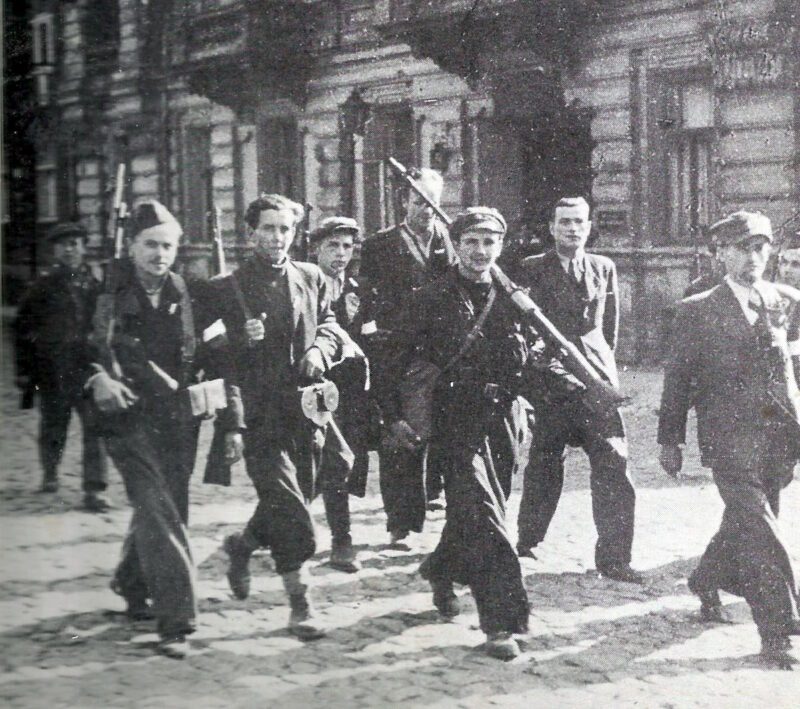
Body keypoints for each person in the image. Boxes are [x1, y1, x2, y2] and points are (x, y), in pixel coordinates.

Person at [658, 211, 800, 669]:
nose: (752, 257)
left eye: (760, 247)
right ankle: (779, 631)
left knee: (749, 521)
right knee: (762, 532)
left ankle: (705, 578)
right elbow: (678, 380)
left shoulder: (788, 302)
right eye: (740, 247)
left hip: (778, 437)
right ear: (719, 253)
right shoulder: (695, 310)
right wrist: (670, 439)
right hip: (729, 440)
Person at [390, 207, 532, 660]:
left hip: (501, 421)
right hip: (454, 421)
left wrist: (529, 399)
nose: (480, 250)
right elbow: (394, 361)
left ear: (501, 246)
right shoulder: (429, 298)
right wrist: (395, 417)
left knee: (474, 511)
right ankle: (500, 624)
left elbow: (532, 361)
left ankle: (441, 568)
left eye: (490, 241)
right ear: (455, 244)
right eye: (471, 240)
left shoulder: (514, 299)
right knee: (488, 517)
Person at [87, 200, 222, 659]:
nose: (159, 254)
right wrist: (97, 375)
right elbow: (69, 346)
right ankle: (176, 620)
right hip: (124, 416)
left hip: (176, 417)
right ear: (131, 246)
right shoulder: (104, 288)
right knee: (156, 504)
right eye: (150, 245)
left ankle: (130, 581)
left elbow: (212, 349)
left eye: (167, 245)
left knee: (168, 508)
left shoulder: (186, 291)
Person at [212, 194, 347, 639]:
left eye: (284, 229)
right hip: (259, 419)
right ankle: (300, 606)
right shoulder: (227, 287)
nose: (276, 237)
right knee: (293, 514)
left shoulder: (311, 276)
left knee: (291, 501)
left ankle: (243, 545)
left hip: (305, 414)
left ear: (295, 233)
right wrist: (237, 337)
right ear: (251, 233)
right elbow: (213, 358)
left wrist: (317, 350)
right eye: (267, 228)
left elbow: (330, 324)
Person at [515, 197, 642, 583]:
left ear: (589, 228)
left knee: (614, 464)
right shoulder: (531, 269)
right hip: (554, 383)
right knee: (545, 463)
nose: (573, 229)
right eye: (565, 222)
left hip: (596, 382)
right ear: (551, 228)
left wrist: (602, 376)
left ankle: (616, 558)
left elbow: (609, 331)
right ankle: (527, 540)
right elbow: (526, 333)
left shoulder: (604, 267)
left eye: (579, 222)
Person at [358, 167, 456, 545]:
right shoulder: (380, 245)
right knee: (401, 433)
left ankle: (436, 494)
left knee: (443, 429)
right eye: (419, 202)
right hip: (398, 350)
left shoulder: (450, 240)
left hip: (442, 349)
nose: (426, 210)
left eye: (433, 203)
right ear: (404, 202)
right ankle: (400, 520)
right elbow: (367, 302)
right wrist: (376, 344)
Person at [14, 222, 111, 511]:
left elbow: (105, 319)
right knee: (54, 425)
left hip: (86, 367)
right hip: (53, 368)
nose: (70, 250)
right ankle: (50, 472)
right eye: (64, 245)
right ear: (55, 250)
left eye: (75, 244)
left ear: (83, 247)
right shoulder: (43, 286)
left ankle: (95, 489)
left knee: (96, 426)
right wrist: (23, 370)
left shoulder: (94, 283)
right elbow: (23, 329)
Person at [308, 216, 368, 573]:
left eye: (348, 246)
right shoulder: (304, 283)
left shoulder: (358, 288)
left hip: (348, 389)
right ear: (316, 248)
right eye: (333, 245)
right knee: (331, 462)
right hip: (312, 386)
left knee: (336, 464)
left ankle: (267, 529)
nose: (342, 254)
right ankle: (342, 542)